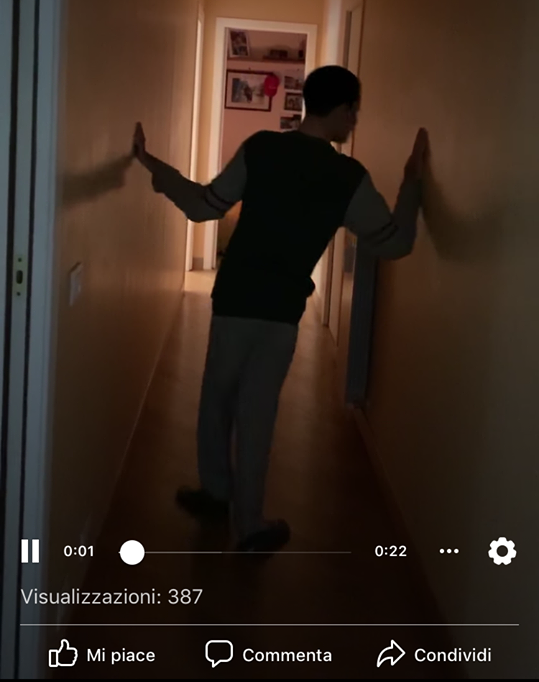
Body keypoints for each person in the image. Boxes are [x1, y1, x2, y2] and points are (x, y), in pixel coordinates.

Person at [133, 65, 429, 553]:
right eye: (353, 111)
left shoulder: (261, 148)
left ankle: (215, 494)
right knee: (257, 412)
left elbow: (204, 206)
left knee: (216, 398)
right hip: (280, 309)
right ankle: (249, 526)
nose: (354, 120)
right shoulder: (348, 177)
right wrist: (411, 184)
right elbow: (395, 243)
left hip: (234, 296)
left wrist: (153, 166)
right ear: (340, 109)